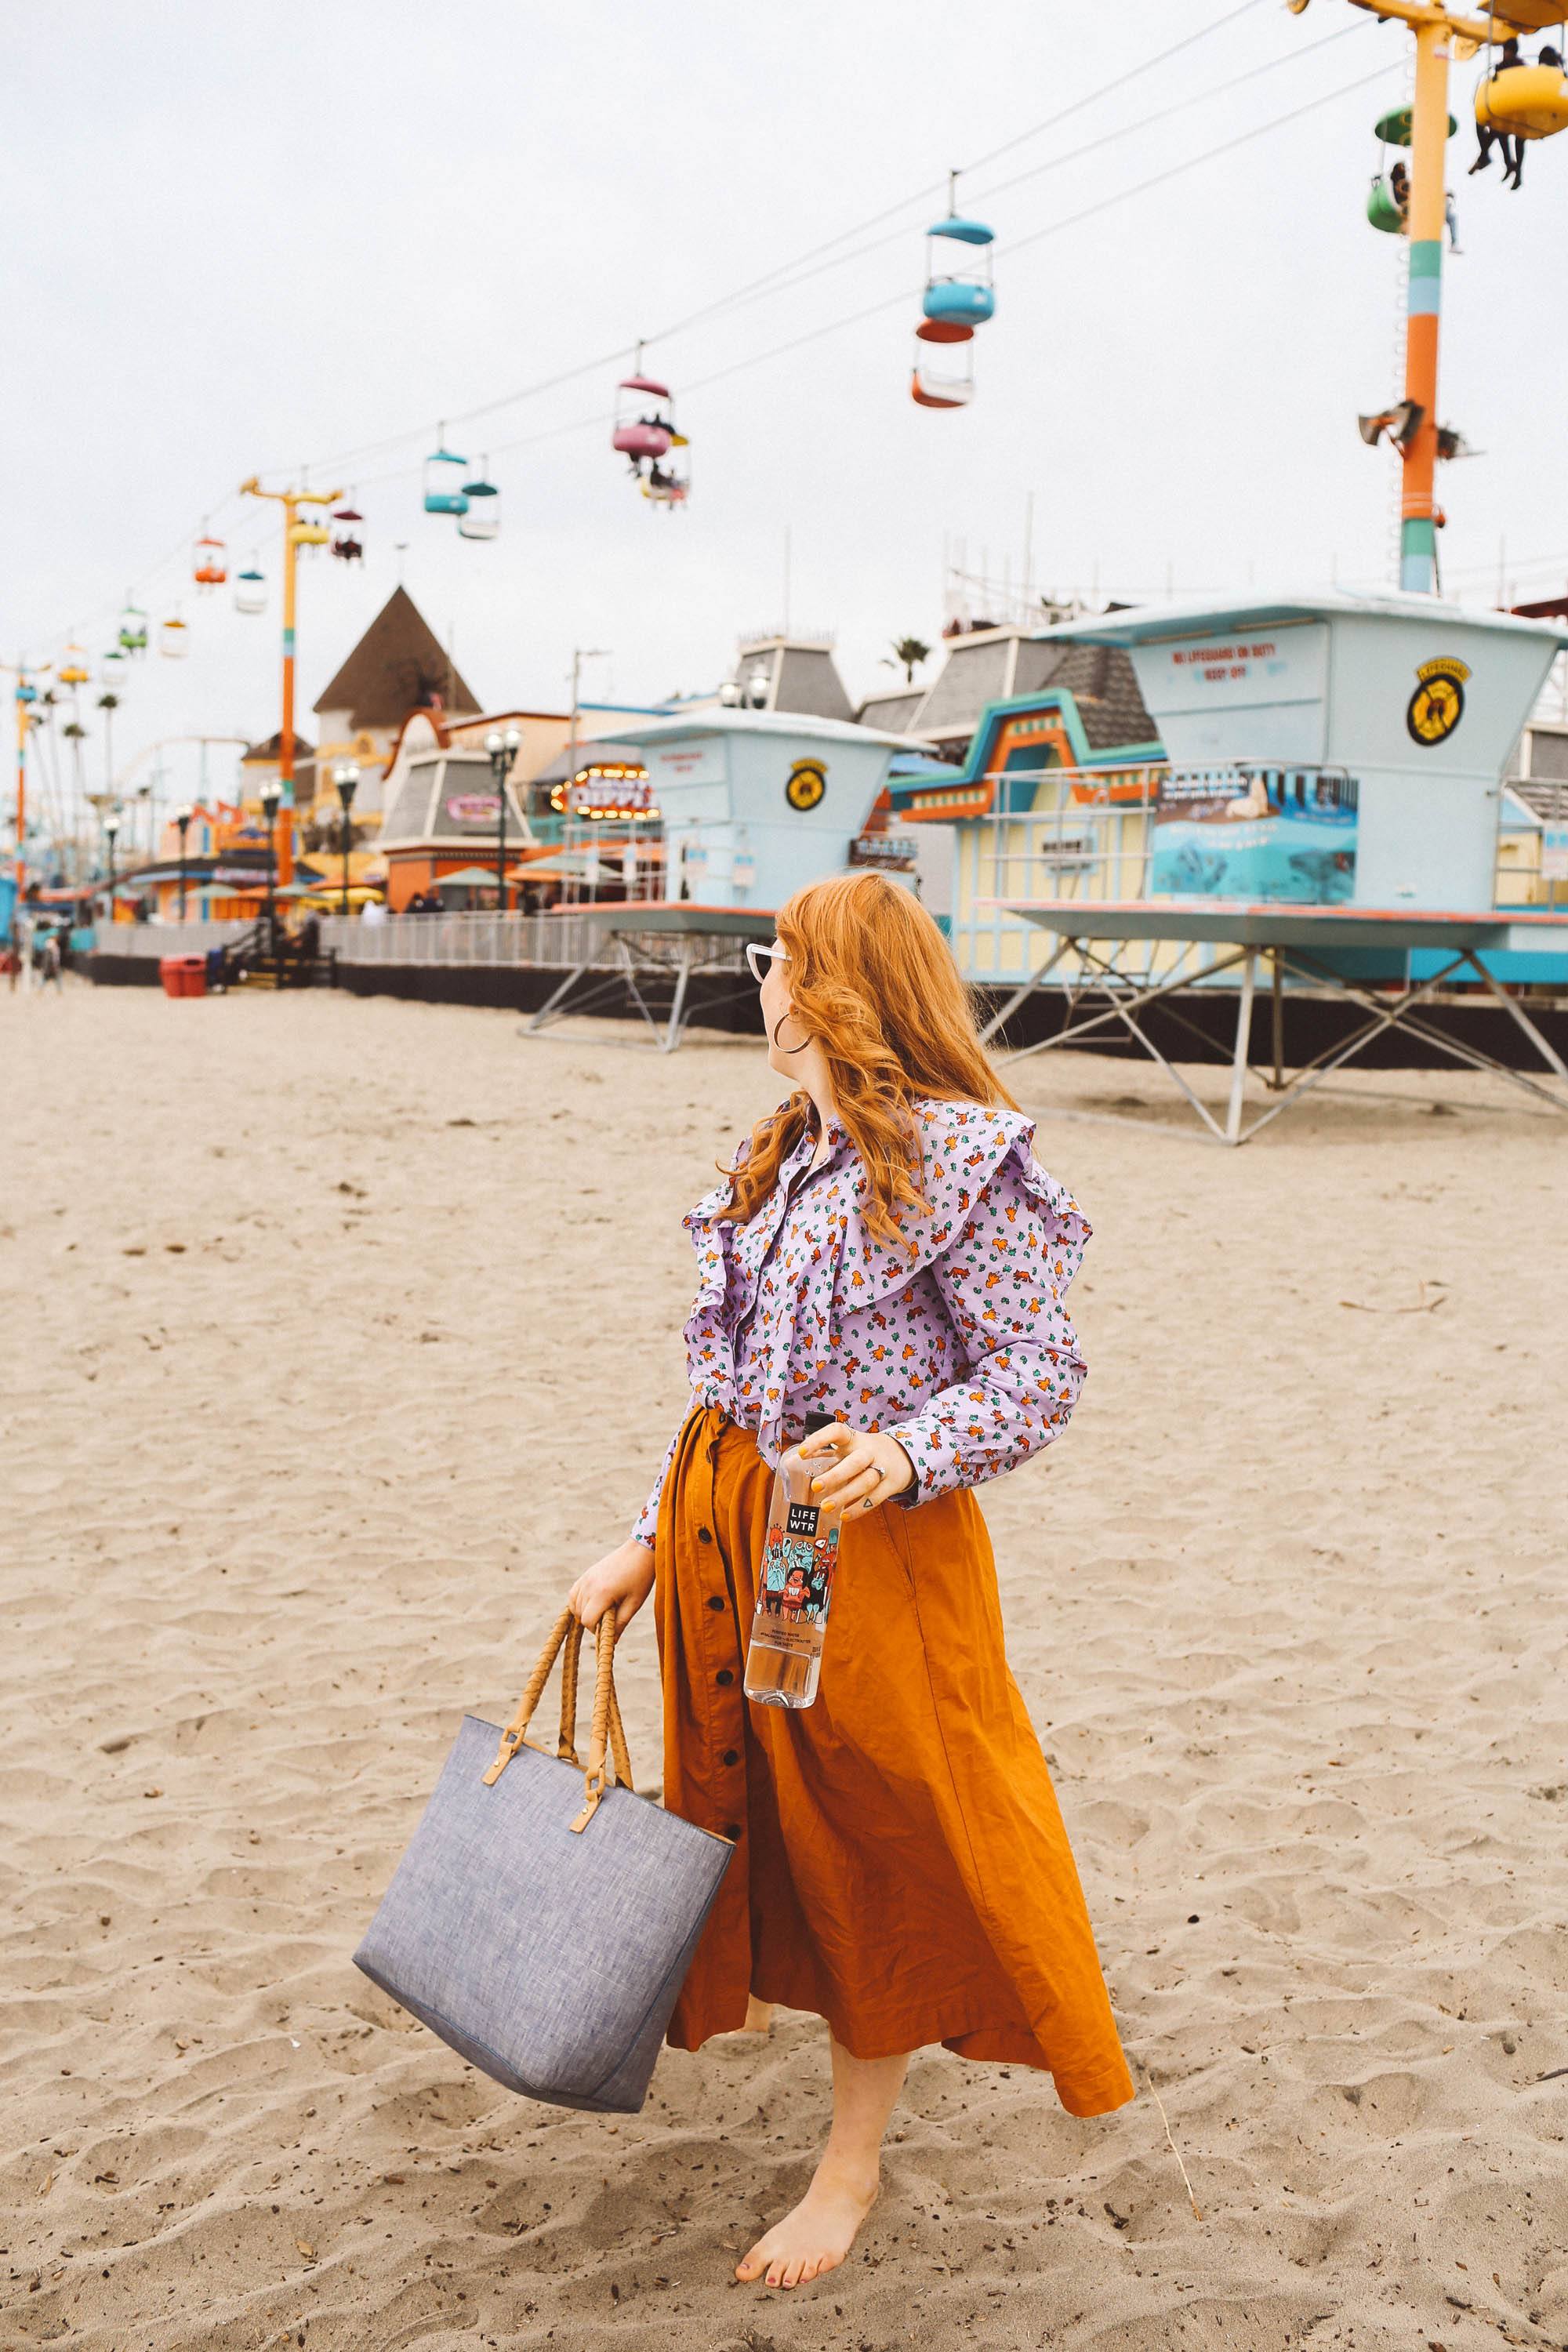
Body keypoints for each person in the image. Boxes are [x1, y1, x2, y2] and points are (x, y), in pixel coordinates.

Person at [568, 871, 1134, 2294]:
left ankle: (851, 2165)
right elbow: (730, 1388)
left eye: (774, 956)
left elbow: (1038, 1369)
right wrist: (645, 1536)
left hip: (867, 1546)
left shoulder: (959, 1156)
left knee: (874, 1826)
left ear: (826, 986)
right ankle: (831, 2072)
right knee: (759, 1805)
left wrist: (904, 1446)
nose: (757, 977)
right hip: (730, 1524)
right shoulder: (784, 1152)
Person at [1470, 40, 1522, 182]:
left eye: (1507, 51)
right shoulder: (1501, 66)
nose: (1505, 54)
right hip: (1502, 108)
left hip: (1514, 109)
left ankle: (1484, 158)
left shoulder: (1520, 66)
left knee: (1499, 132)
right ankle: (1496, 160)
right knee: (1485, 126)